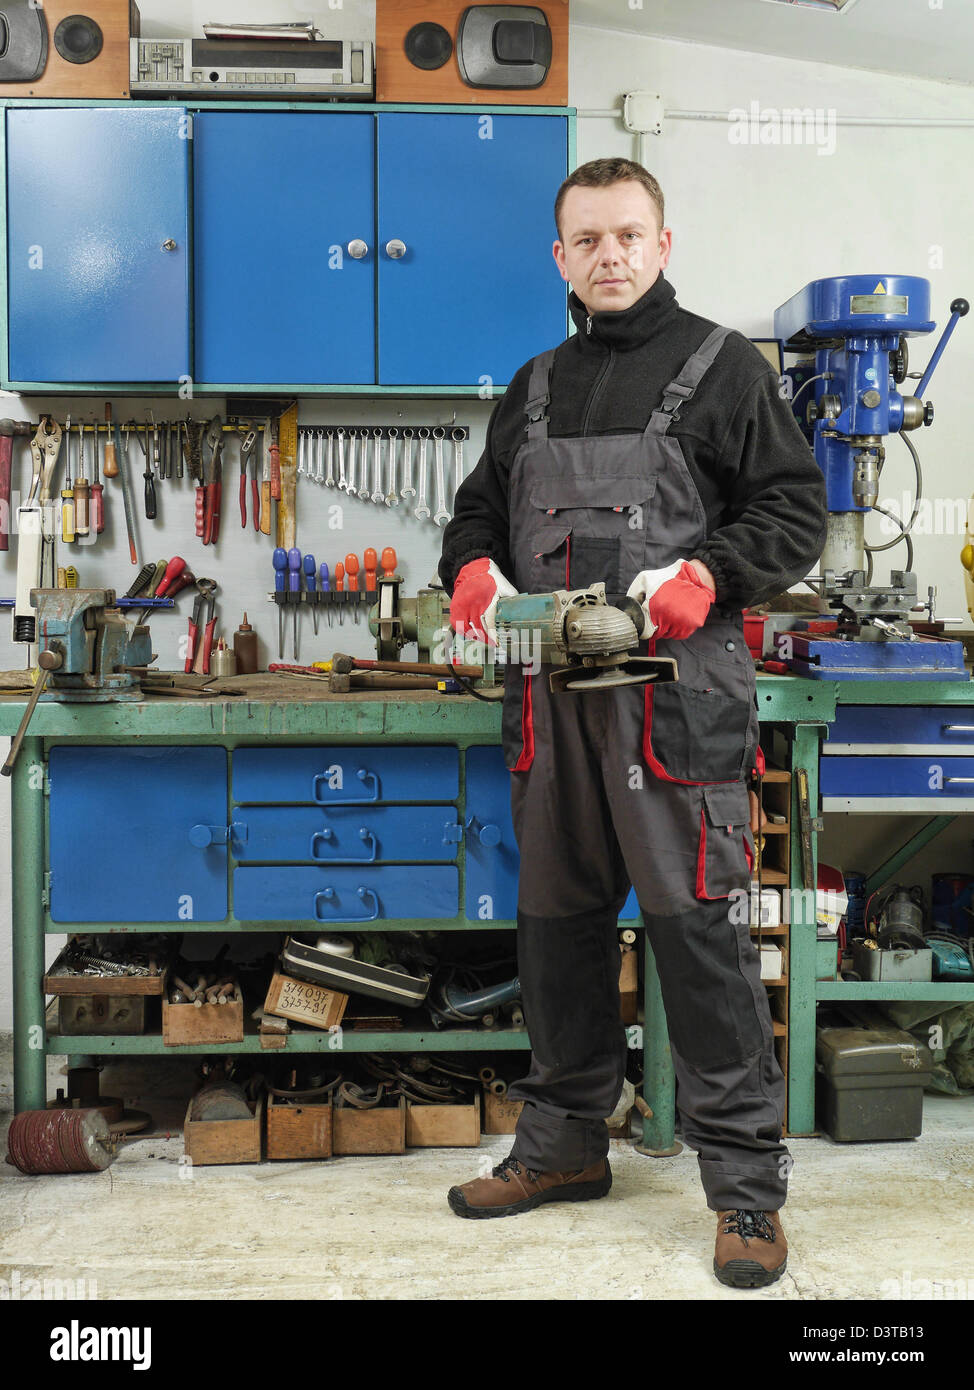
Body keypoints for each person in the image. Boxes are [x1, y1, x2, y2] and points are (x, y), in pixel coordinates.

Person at [437, 158, 828, 1289]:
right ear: (559, 257)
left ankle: (744, 1192)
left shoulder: (722, 372)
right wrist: (469, 563)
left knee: (696, 942)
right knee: (555, 934)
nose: (608, 255)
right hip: (548, 704)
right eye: (586, 239)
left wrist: (712, 569)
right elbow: (476, 506)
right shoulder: (533, 384)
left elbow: (793, 506)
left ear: (663, 243)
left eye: (627, 235)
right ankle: (561, 1150)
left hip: (672, 705)